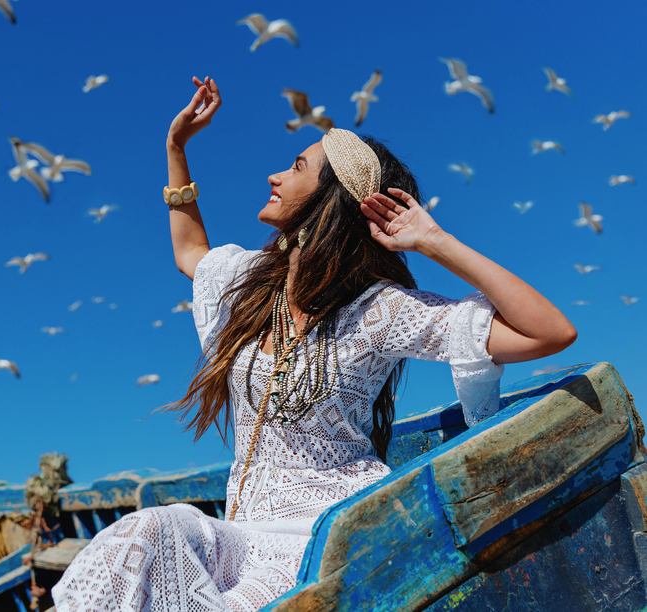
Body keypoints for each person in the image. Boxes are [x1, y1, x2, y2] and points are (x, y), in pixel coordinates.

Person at [51, 77, 576, 611]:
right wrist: (176, 148)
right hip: (244, 532)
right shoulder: (253, 285)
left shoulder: (378, 311)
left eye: (297, 167)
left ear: (330, 202)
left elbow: (549, 331)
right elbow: (191, 253)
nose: (275, 175)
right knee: (140, 536)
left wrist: (434, 242)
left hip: (328, 543)